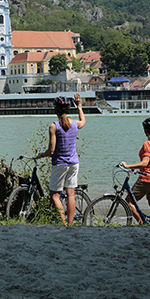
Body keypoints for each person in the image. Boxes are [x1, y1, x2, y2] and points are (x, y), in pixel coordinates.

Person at [36, 93, 86, 226]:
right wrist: (79, 106)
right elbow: (83, 121)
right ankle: (70, 224)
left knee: (54, 195)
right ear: (68, 109)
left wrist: (41, 155)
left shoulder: (54, 126)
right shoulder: (74, 124)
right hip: (74, 163)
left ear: (55, 109)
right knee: (70, 194)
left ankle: (62, 223)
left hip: (60, 164)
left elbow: (51, 150)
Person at [120, 108, 150, 224]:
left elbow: (145, 163)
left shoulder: (148, 144)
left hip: (147, 178)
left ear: (145, 131)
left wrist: (128, 166)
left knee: (128, 202)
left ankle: (142, 223)